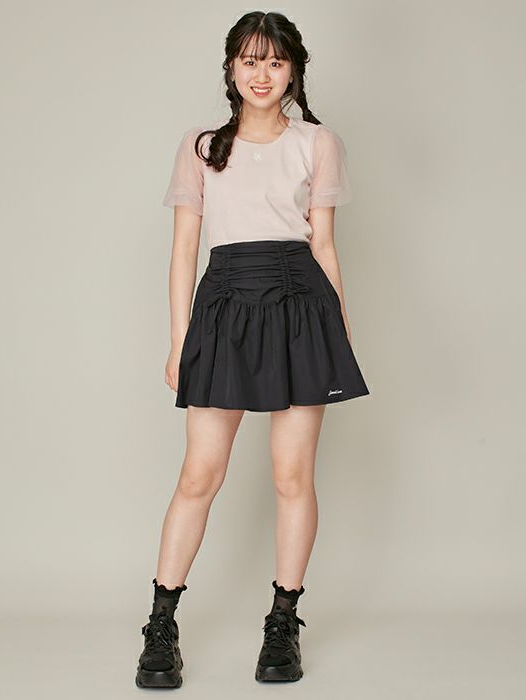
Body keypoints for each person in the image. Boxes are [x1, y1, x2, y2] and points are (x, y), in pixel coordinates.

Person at [135, 10, 369, 689]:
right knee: (199, 475)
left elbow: (324, 244)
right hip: (225, 306)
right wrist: (179, 339)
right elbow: (184, 249)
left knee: (292, 476)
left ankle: (282, 624)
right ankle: (160, 626)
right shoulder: (203, 146)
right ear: (231, 68)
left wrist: (338, 335)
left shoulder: (317, 143)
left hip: (299, 305)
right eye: (249, 60)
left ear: (294, 70)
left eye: (274, 61)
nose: (261, 74)